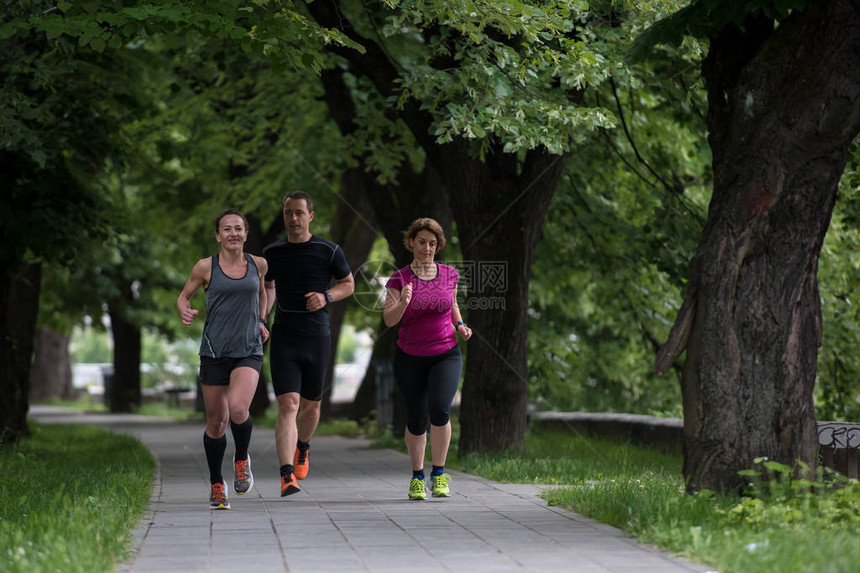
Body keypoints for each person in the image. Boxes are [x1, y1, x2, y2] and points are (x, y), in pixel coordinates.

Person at [263, 190, 355, 497]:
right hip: (285, 338)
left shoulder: (328, 251)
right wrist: (263, 316)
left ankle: (303, 446)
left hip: (317, 337)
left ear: (310, 216)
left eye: (299, 213)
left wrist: (326, 297)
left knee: (312, 408)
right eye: (288, 212)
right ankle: (287, 475)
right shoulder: (273, 253)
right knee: (288, 404)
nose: (293, 218)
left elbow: (348, 284)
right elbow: (268, 285)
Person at [176, 209, 269, 510]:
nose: (233, 233)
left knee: (239, 408)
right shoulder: (205, 267)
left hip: (248, 348)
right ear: (218, 235)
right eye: (227, 229)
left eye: (238, 228)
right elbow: (183, 296)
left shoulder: (259, 264)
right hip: (214, 351)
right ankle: (217, 483)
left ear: (246, 233)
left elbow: (266, 289)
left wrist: (263, 319)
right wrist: (184, 309)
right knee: (217, 423)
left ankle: (241, 458)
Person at [383, 217, 472, 500]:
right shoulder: (399, 279)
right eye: (422, 242)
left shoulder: (449, 274)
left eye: (432, 243)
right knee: (417, 417)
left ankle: (439, 473)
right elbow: (388, 320)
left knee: (440, 410)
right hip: (410, 356)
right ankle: (417, 477)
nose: (427, 248)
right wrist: (403, 302)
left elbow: (452, 305)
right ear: (411, 243)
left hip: (446, 352)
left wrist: (460, 325)